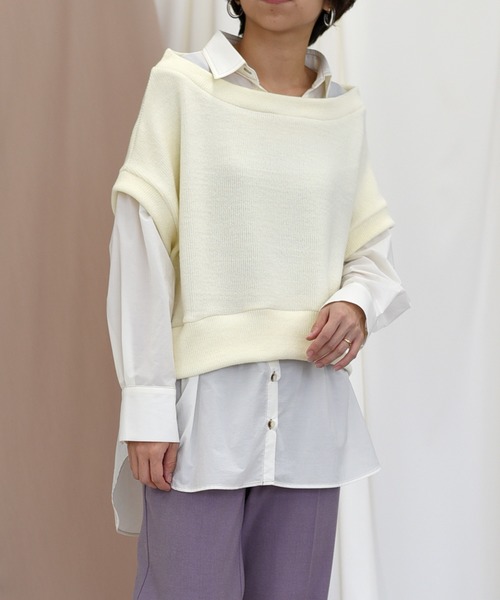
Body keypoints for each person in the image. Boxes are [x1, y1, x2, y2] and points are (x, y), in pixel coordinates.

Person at [107, 1, 410, 598]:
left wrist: (356, 304)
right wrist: (146, 406)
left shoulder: (341, 111)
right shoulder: (182, 85)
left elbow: (372, 251)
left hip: (311, 418)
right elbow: (140, 246)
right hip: (201, 419)